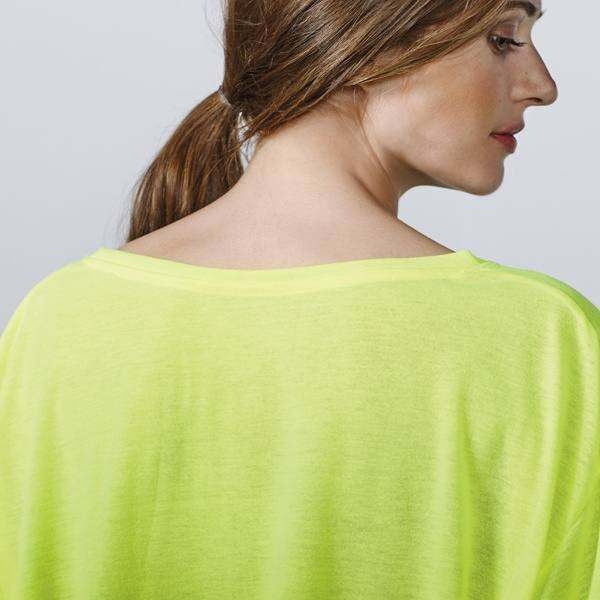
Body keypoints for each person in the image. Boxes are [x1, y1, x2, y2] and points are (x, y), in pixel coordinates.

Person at [1, 0, 598, 598]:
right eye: (502, 40)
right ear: (368, 43)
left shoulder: (59, 320)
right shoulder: (545, 343)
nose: (542, 87)